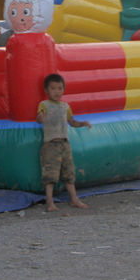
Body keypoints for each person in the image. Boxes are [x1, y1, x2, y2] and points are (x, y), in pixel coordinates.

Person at [37, 73, 91, 212]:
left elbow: (71, 122)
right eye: (53, 88)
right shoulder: (44, 105)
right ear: (47, 90)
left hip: (64, 143)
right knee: (50, 175)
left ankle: (74, 199)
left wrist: (83, 123)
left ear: (64, 89)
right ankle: (50, 202)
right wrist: (40, 117)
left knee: (69, 173)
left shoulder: (65, 106)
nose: (57, 91)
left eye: (60, 88)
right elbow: (39, 118)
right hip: (51, 144)